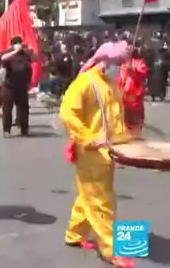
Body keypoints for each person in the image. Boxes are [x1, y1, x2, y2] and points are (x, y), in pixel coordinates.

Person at [59, 41, 135, 268]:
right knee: (102, 201)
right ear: (104, 60)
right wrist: (88, 138)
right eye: (116, 62)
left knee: (89, 195)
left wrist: (125, 142)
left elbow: (115, 118)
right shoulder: (85, 82)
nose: (119, 67)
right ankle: (113, 250)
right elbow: (67, 114)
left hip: (109, 150)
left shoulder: (111, 83)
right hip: (92, 152)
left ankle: (74, 234)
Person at [0, 37, 32, 137]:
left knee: (23, 108)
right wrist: (15, 51)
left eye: (20, 43)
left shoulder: (25, 54)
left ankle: (24, 128)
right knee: (7, 108)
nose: (19, 45)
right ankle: (6, 130)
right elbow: (3, 58)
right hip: (9, 86)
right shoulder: (9, 53)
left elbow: (34, 59)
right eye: (17, 43)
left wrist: (29, 50)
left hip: (22, 85)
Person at [117, 46, 148, 135]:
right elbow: (120, 78)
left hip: (134, 95)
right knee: (124, 117)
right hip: (124, 94)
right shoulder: (124, 64)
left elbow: (143, 74)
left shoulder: (140, 63)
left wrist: (134, 71)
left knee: (136, 117)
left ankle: (136, 133)